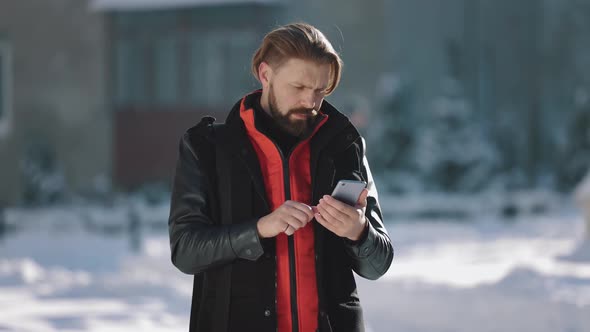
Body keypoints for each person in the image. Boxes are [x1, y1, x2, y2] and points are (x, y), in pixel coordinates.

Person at [168, 22, 394, 332]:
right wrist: (261, 229)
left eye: (320, 90)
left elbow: (378, 263)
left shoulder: (345, 145)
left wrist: (358, 231)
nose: (310, 102)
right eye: (298, 88)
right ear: (265, 75)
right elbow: (186, 251)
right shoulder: (207, 148)